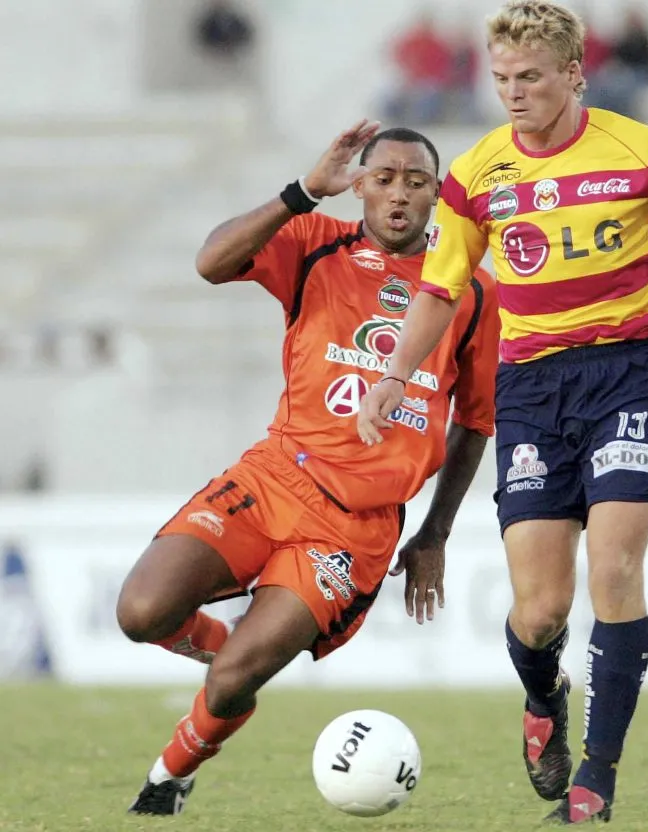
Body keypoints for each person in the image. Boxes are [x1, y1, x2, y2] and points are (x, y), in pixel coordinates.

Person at [356, 1, 648, 823]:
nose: (513, 94)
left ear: (574, 73)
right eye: (501, 80)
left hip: (629, 373)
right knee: (538, 613)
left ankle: (595, 780)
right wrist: (395, 372)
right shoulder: (474, 176)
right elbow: (440, 290)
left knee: (613, 570)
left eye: (530, 77)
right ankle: (544, 701)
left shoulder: (645, 149)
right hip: (531, 387)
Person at [115, 122, 499, 815]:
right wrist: (300, 194)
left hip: (352, 530)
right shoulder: (316, 241)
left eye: (416, 182)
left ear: (437, 195)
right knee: (140, 612)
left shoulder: (471, 293)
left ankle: (168, 776)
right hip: (272, 478)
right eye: (383, 178)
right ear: (359, 186)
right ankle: (238, 650)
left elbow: (475, 421)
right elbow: (209, 263)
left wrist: (435, 533)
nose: (399, 194)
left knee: (232, 684)